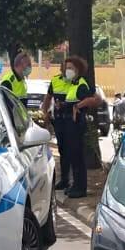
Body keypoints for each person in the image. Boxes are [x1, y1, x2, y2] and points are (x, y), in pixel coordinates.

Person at [45, 54, 97, 198]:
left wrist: (78, 106)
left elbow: (92, 100)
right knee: (73, 155)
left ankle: (80, 188)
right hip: (68, 123)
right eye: (66, 68)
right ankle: (75, 186)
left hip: (76, 123)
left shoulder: (80, 84)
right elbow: (71, 101)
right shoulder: (73, 84)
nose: (67, 70)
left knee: (77, 156)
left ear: (78, 70)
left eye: (70, 68)